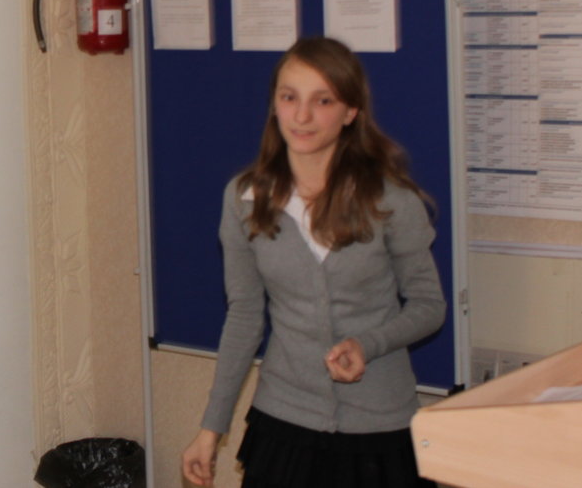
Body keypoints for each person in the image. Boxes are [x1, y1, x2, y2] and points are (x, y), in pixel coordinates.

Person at [181, 36, 446, 488]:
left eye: (322, 101)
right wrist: (211, 429)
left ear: (350, 112)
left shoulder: (390, 201)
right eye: (290, 98)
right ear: (274, 105)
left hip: (380, 429)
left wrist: (368, 344)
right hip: (284, 423)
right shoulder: (244, 198)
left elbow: (429, 306)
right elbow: (244, 316)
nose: (302, 116)